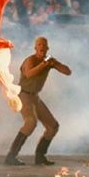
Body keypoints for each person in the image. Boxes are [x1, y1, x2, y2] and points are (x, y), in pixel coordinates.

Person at [4, 36, 72, 166]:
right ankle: (11, 156)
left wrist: (54, 63)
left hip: (35, 97)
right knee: (30, 122)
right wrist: (43, 65)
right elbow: (29, 74)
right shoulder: (30, 60)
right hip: (23, 95)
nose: (41, 47)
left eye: (44, 45)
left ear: (47, 48)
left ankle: (40, 156)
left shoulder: (49, 60)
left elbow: (67, 71)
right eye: (39, 45)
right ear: (35, 48)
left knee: (52, 126)